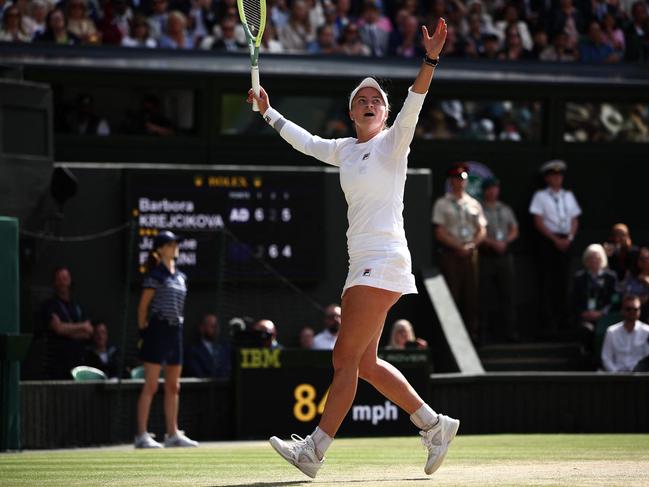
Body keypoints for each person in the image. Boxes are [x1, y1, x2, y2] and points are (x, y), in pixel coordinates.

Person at [248, 18, 459, 479]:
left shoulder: (394, 143)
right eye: (360, 100)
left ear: (385, 114)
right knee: (364, 363)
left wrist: (430, 59)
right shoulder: (344, 149)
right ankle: (434, 424)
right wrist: (268, 112)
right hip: (361, 264)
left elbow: (416, 100)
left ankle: (314, 450)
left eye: (376, 100)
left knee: (343, 359)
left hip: (382, 262)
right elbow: (305, 142)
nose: (368, 103)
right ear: (351, 113)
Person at [134, 230, 198, 449]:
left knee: (174, 386)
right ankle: (141, 435)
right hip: (157, 331)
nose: (175, 247)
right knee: (151, 385)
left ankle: (172, 434)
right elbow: (142, 308)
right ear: (160, 249)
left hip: (175, 332)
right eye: (170, 244)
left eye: (175, 244)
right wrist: (144, 334)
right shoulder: (155, 276)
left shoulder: (181, 277)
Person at [432, 163, 487, 343]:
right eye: (456, 179)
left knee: (472, 296)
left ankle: (473, 334)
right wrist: (458, 246)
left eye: (463, 179)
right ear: (451, 181)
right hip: (450, 254)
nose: (460, 182)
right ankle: (451, 338)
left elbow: (482, 229)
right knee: (452, 294)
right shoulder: (442, 203)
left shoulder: (473, 203)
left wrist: (471, 245)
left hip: (470, 254)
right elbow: (439, 231)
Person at [529, 159, 581, 333]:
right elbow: (538, 221)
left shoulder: (568, 195)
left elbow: (574, 219)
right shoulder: (540, 196)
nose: (557, 179)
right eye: (553, 175)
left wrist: (570, 237)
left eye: (559, 175)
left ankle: (564, 323)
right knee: (547, 283)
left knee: (563, 282)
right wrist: (554, 240)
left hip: (567, 241)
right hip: (548, 243)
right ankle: (547, 324)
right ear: (547, 178)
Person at [479, 177, 519, 343]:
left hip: (504, 256)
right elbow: (477, 231)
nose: (492, 191)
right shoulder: (478, 208)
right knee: (483, 297)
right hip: (486, 256)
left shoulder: (505, 209)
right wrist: (492, 243)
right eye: (489, 188)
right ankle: (482, 334)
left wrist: (505, 242)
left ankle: (510, 333)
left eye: (495, 188)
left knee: (508, 295)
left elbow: (514, 229)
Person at [40, 267, 93, 379]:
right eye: (59, 279)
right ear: (55, 282)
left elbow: (88, 331)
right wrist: (81, 327)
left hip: (78, 362)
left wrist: (66, 330)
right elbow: (58, 329)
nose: (62, 282)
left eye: (65, 278)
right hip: (58, 364)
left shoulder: (77, 306)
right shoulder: (49, 305)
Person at [572, 244, 618, 355]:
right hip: (586, 316)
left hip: (605, 316)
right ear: (585, 261)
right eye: (590, 258)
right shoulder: (579, 277)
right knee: (586, 329)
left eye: (596, 258)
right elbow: (574, 299)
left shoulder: (610, 277)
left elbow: (615, 299)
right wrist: (583, 313)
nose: (593, 261)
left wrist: (602, 312)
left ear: (602, 259)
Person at [601, 294, 649, 372]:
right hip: (617, 377)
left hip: (640, 378)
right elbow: (606, 358)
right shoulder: (611, 331)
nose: (632, 312)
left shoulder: (647, 331)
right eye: (628, 309)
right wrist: (617, 374)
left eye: (635, 309)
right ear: (622, 310)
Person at [184, 313, 231, 378]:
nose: (216, 330)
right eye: (212, 327)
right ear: (202, 328)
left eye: (217, 326)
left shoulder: (225, 347)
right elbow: (197, 374)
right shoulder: (192, 350)